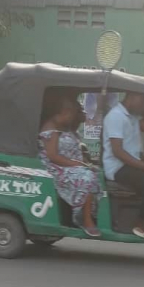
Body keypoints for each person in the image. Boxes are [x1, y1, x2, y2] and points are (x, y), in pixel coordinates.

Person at [102, 92, 144, 241]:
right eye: (143, 101)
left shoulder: (133, 117)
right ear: (133, 96)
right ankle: (142, 223)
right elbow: (117, 151)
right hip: (117, 167)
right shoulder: (116, 116)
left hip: (130, 164)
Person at [38, 95, 101, 237]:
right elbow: (53, 156)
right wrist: (76, 163)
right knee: (87, 177)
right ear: (64, 112)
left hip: (71, 165)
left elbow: (81, 119)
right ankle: (85, 220)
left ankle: (93, 213)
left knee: (97, 174)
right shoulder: (51, 129)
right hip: (56, 168)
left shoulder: (65, 126)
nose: (73, 117)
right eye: (71, 113)